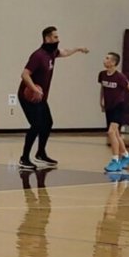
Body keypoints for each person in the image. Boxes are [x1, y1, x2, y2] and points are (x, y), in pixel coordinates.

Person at [18, 26, 89, 170]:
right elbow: (24, 74)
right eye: (56, 37)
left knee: (48, 122)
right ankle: (24, 158)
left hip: (41, 97)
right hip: (28, 96)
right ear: (48, 38)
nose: (58, 39)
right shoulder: (38, 55)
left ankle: (41, 153)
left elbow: (65, 52)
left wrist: (78, 49)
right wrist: (34, 89)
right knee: (36, 124)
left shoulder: (51, 53)